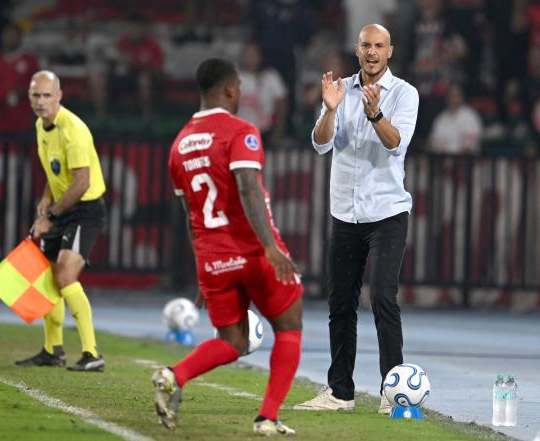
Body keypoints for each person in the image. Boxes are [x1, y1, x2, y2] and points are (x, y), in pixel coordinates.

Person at [152, 58, 303, 436]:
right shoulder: (240, 130)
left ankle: (174, 374)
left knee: (232, 341)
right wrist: (269, 246)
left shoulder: (179, 144)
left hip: (212, 258)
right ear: (231, 88)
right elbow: (248, 186)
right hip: (252, 251)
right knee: (289, 328)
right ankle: (267, 417)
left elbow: (191, 215)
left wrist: (203, 276)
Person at [293, 24, 418, 415]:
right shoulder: (339, 90)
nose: (372, 52)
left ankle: (392, 391)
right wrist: (330, 110)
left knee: (382, 297)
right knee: (340, 304)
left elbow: (396, 141)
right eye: (366, 45)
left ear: (390, 52)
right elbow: (320, 142)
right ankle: (340, 392)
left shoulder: (405, 94)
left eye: (379, 46)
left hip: (387, 212)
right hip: (344, 213)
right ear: (357, 48)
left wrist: (376, 113)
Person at [15, 70, 106, 372]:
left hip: (85, 208)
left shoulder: (73, 129)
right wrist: (46, 198)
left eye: (46, 95)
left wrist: (50, 216)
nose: (40, 102)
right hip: (63, 207)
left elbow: (81, 182)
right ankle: (53, 350)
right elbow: (57, 172)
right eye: (35, 96)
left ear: (59, 96)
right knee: (48, 277)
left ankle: (92, 354)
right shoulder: (41, 126)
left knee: (65, 275)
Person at [0, 22, 39, 136]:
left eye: (14, 34)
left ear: (20, 37)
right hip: (0, 119)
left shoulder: (30, 61)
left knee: (22, 150)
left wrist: (23, 92)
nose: (10, 38)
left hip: (23, 118)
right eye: (7, 34)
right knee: (1, 150)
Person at [237, 41, 288, 147]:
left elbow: (282, 105)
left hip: (265, 132)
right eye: (247, 55)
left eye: (253, 54)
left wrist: (278, 131)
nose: (250, 58)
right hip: (240, 133)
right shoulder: (235, 77)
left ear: (260, 56)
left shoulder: (271, 77)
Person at [428, 84, 482, 154]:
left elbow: (468, 148)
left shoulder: (470, 117)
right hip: (441, 160)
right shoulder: (441, 118)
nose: (453, 99)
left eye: (456, 96)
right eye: (450, 96)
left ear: (462, 97)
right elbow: (432, 143)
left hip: (466, 161)